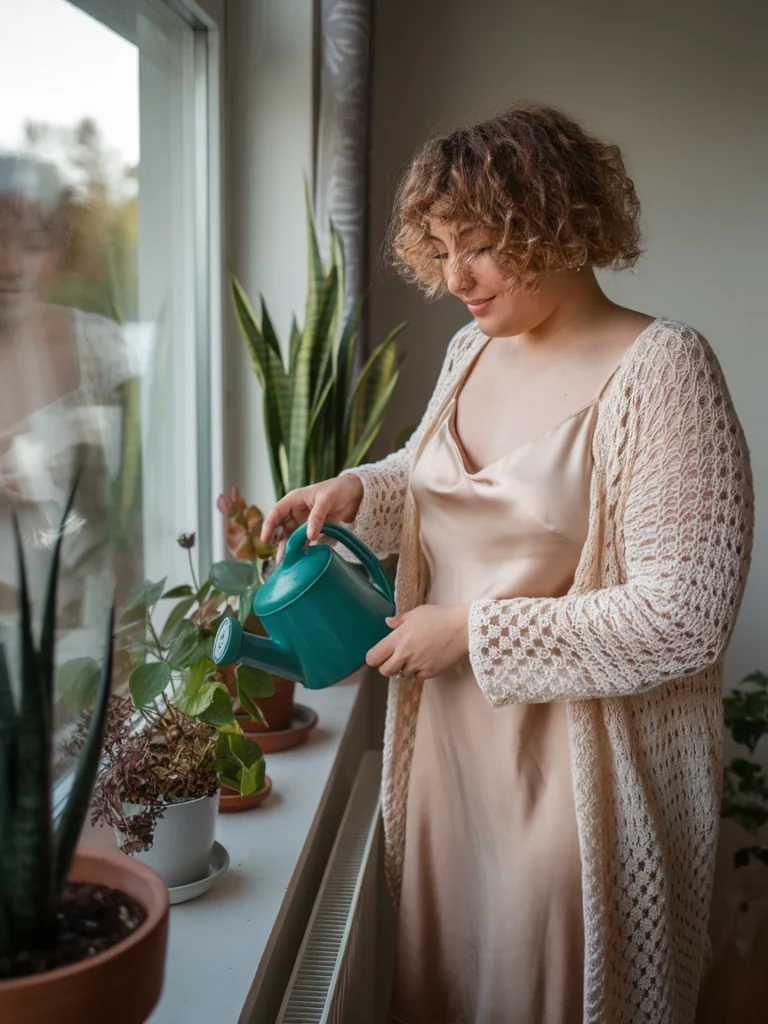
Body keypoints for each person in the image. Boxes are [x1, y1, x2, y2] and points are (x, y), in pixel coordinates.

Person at [261, 105, 754, 1024]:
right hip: (447, 759)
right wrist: (361, 492)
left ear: (559, 224)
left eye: (479, 244)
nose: (455, 278)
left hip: (574, 789)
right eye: (442, 249)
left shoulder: (665, 370)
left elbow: (685, 614)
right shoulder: (470, 348)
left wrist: (473, 632)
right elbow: (440, 478)